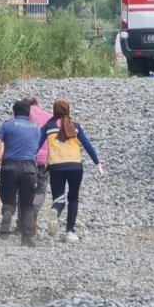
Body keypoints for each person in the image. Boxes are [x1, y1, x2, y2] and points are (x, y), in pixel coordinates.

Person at [38, 99, 104, 243]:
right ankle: (70, 232)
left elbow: (36, 146)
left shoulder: (48, 127)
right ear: (68, 110)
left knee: (59, 198)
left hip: (56, 166)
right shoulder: (75, 126)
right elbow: (87, 145)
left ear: (54, 110)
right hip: (75, 166)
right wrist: (97, 164)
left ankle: (55, 210)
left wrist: (31, 161)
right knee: (73, 197)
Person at [0, 100, 40, 246]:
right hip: (29, 167)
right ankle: (26, 237)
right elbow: (36, 148)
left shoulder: (6, 125)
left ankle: (8, 211)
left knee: (8, 197)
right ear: (29, 113)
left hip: (9, 166)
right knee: (27, 203)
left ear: (14, 112)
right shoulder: (36, 128)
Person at [25, 96, 51, 229]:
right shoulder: (49, 116)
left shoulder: (22, 116)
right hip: (44, 159)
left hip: (26, 158)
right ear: (37, 104)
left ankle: (23, 222)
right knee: (41, 190)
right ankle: (33, 212)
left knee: (25, 189)